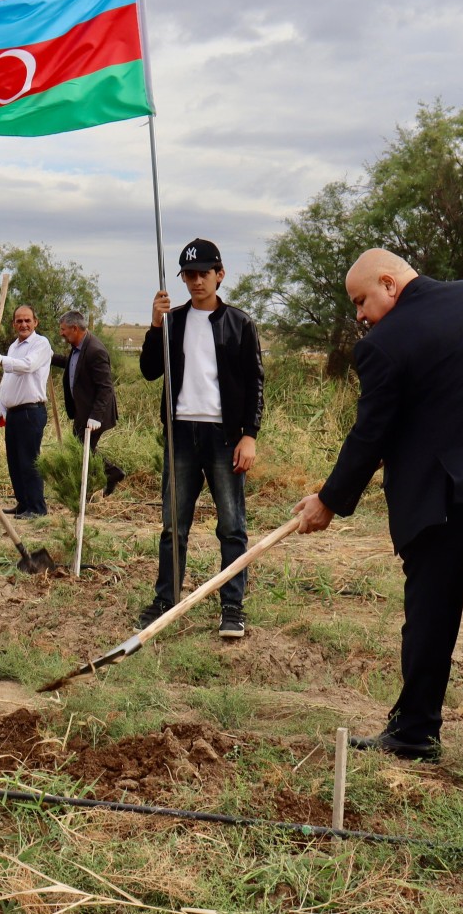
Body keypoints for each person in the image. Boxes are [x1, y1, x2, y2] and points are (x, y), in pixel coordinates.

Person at [294, 249, 463, 790]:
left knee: (431, 613)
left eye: (361, 301)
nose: (360, 317)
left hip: (456, 501)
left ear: (389, 283)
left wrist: (327, 500)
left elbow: (369, 435)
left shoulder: (386, 346)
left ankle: (415, 733)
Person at [138, 238, 263, 639]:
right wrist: (155, 326)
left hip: (224, 436)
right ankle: (166, 600)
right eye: (188, 275)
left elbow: (255, 383)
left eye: (202, 274)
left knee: (231, 525)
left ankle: (232, 608)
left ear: (219, 274)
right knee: (173, 525)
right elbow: (149, 370)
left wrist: (250, 436)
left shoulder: (240, 323)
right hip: (180, 433)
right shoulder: (172, 321)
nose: (195, 282)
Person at [0, 305, 53, 518]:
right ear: (13, 323)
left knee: (29, 461)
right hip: (14, 412)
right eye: (19, 321)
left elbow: (27, 366)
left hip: (31, 411)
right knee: (15, 461)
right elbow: (9, 379)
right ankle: (23, 503)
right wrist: (1, 404)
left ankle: (37, 507)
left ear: (36, 322)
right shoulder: (15, 346)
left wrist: (1, 360)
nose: (23, 325)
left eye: (27, 320)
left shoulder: (40, 344)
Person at [51, 310, 125, 494]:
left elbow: (105, 387)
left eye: (63, 329)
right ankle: (108, 475)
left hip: (95, 413)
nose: (61, 333)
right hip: (83, 411)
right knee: (81, 448)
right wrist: (50, 357)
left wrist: (95, 417)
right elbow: (72, 364)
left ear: (75, 328)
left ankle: (94, 485)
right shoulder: (79, 347)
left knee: (81, 450)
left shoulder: (95, 350)